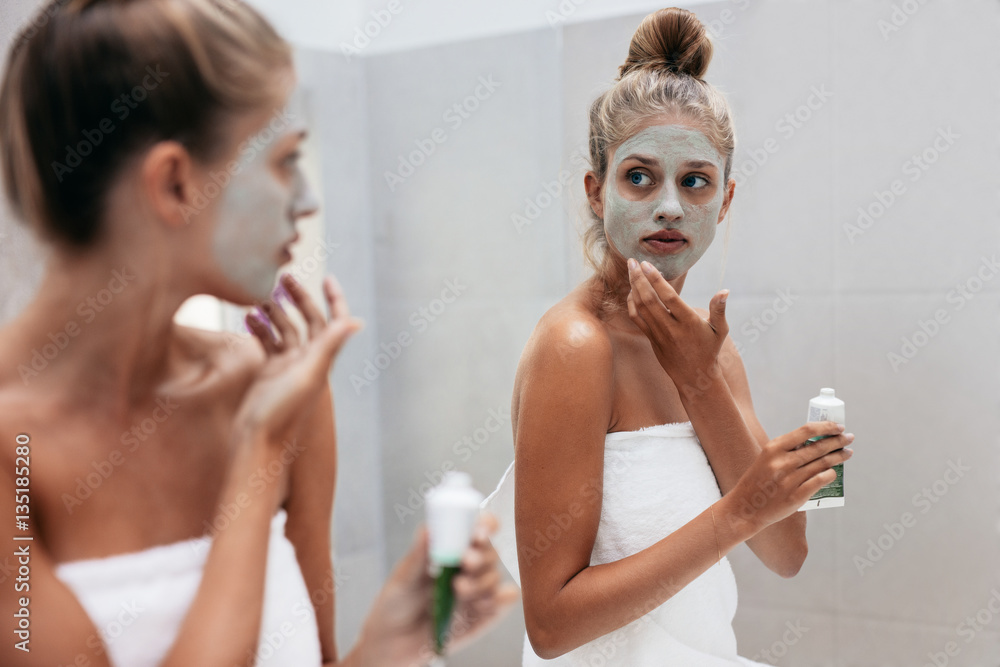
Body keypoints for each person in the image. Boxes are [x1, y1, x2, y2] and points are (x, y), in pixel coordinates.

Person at [0, 0, 516, 665]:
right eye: (284, 162)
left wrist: (391, 642)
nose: (305, 201)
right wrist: (258, 451)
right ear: (177, 183)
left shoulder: (275, 391)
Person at [483, 7, 854, 666]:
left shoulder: (709, 353)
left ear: (726, 199)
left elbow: (786, 551)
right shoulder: (576, 346)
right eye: (639, 176)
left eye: (695, 182)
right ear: (597, 191)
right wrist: (737, 512)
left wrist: (699, 379)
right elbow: (551, 623)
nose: (670, 206)